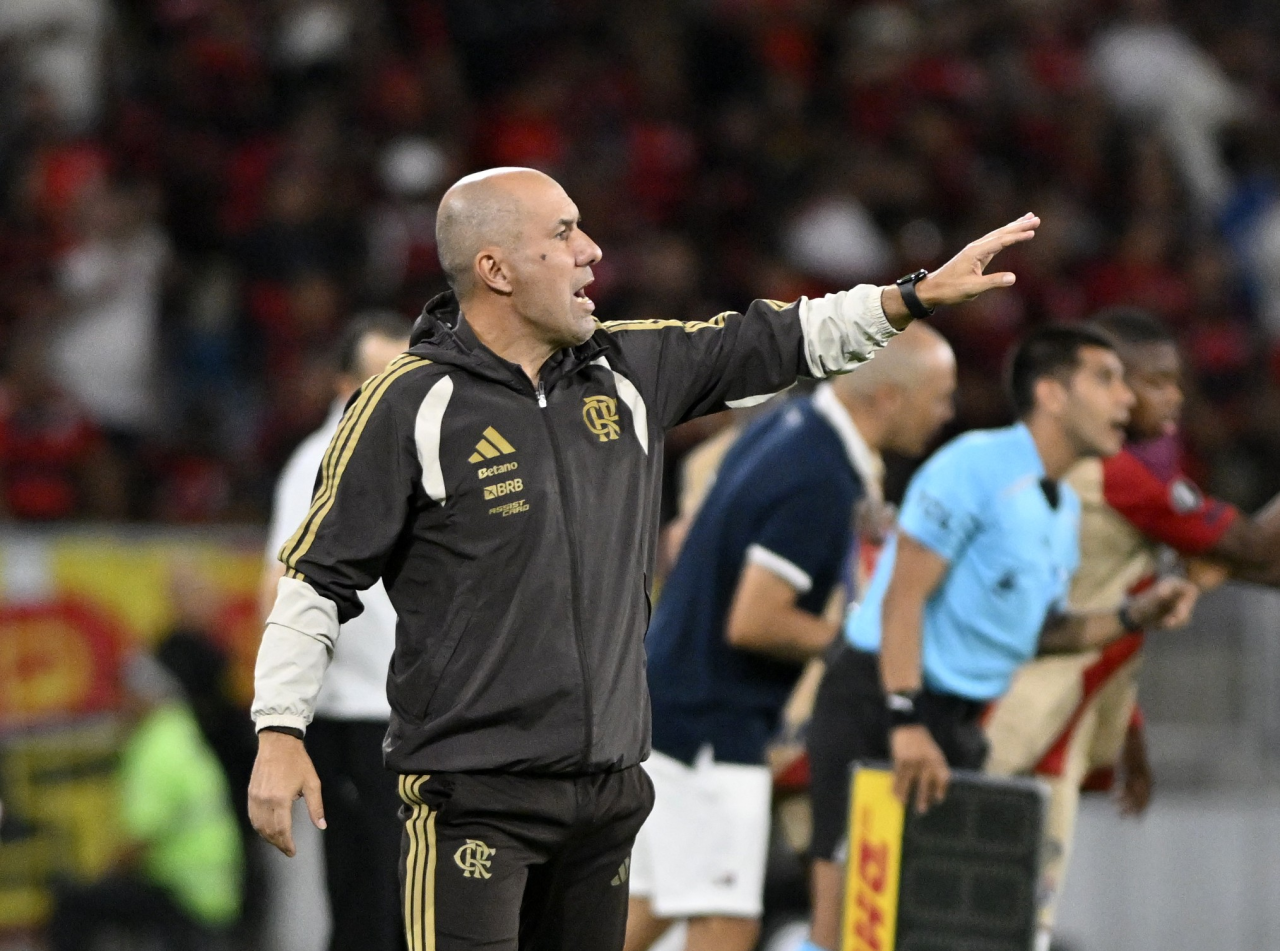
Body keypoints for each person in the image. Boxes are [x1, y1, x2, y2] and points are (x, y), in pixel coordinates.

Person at [246, 165, 1040, 951]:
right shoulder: (409, 401)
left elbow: (779, 339)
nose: (593, 251)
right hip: (474, 799)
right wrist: (280, 730)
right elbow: (317, 577)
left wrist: (907, 298)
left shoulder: (627, 369)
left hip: (607, 795)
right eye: (563, 234)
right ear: (495, 268)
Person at [800, 325, 1200, 951]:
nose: (1126, 400)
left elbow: (1043, 632)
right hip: (880, 706)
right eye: (1107, 379)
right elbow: (904, 598)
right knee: (852, 930)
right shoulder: (976, 466)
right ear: (1052, 395)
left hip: (957, 725)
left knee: (931, 930)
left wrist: (1133, 616)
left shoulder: (1060, 508)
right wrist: (903, 721)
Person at [625, 323, 957, 951]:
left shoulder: (792, 428)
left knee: (654, 905)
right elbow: (756, 619)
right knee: (724, 922)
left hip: (673, 705)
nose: (947, 414)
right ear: (887, 398)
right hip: (711, 728)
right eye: (939, 396)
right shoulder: (819, 476)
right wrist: (859, 645)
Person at [982, 308, 1280, 951]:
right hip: (1012, 728)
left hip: (1047, 723)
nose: (1174, 396)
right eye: (1155, 381)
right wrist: (1223, 565)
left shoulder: (1077, 474)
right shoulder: (1118, 478)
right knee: (982, 911)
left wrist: (1129, 736)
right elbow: (1256, 551)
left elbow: (1120, 598)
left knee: (1004, 915)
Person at [260, 310, 411, 951]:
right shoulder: (319, 462)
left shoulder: (405, 457)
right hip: (355, 719)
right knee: (370, 901)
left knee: (405, 899)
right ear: (342, 385)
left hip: (406, 718)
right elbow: (282, 588)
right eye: (375, 377)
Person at [48, 654, 243, 951]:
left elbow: (138, 841)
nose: (118, 705)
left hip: (183, 892)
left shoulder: (155, 749)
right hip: (213, 888)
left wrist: (98, 878)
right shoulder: (180, 732)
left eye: (123, 695)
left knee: (73, 904)